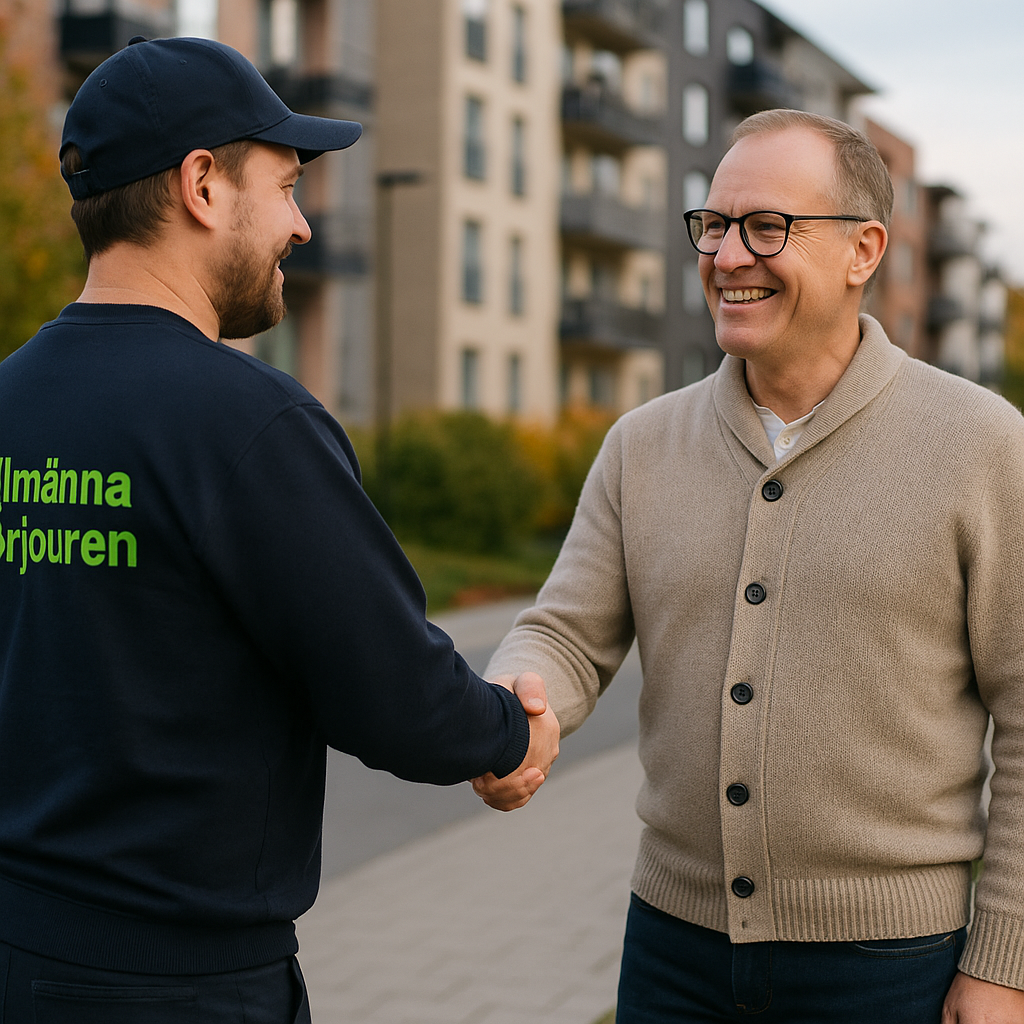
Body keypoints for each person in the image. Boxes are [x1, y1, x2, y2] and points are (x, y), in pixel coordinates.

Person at [0, 36, 558, 1023]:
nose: (300, 226)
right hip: (177, 985)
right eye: (289, 184)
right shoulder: (249, 422)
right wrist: (509, 731)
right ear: (202, 185)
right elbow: (391, 692)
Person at [474, 109, 1024, 1023]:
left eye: (768, 226)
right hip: (671, 954)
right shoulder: (641, 444)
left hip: (891, 966)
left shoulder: (980, 445)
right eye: (715, 224)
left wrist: (1003, 959)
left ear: (865, 250)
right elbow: (565, 631)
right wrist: (509, 710)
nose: (728, 255)